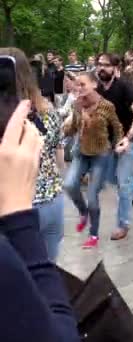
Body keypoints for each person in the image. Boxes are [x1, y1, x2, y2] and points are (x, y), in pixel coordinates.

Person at [0, 99, 80, 342]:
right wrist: (18, 215)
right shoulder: (45, 113)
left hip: (41, 200)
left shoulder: (48, 113)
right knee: (44, 273)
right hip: (30, 205)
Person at [0, 47, 65, 262]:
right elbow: (59, 154)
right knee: (47, 270)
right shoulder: (48, 109)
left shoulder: (5, 120)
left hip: (16, 208)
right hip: (52, 202)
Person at [63, 73, 124, 249]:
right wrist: (64, 130)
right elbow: (73, 127)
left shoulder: (106, 106)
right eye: (77, 85)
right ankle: (83, 212)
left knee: (92, 197)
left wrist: (119, 144)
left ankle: (94, 235)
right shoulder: (77, 104)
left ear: (94, 85)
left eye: (82, 85)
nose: (79, 88)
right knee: (69, 185)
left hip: (100, 154)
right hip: (81, 152)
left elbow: (117, 127)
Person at [95, 53, 133, 240]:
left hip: (128, 141)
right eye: (99, 64)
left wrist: (128, 138)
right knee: (111, 179)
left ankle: (123, 224)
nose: (101, 68)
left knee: (123, 184)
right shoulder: (98, 89)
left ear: (116, 68)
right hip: (107, 143)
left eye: (106, 65)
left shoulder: (125, 87)